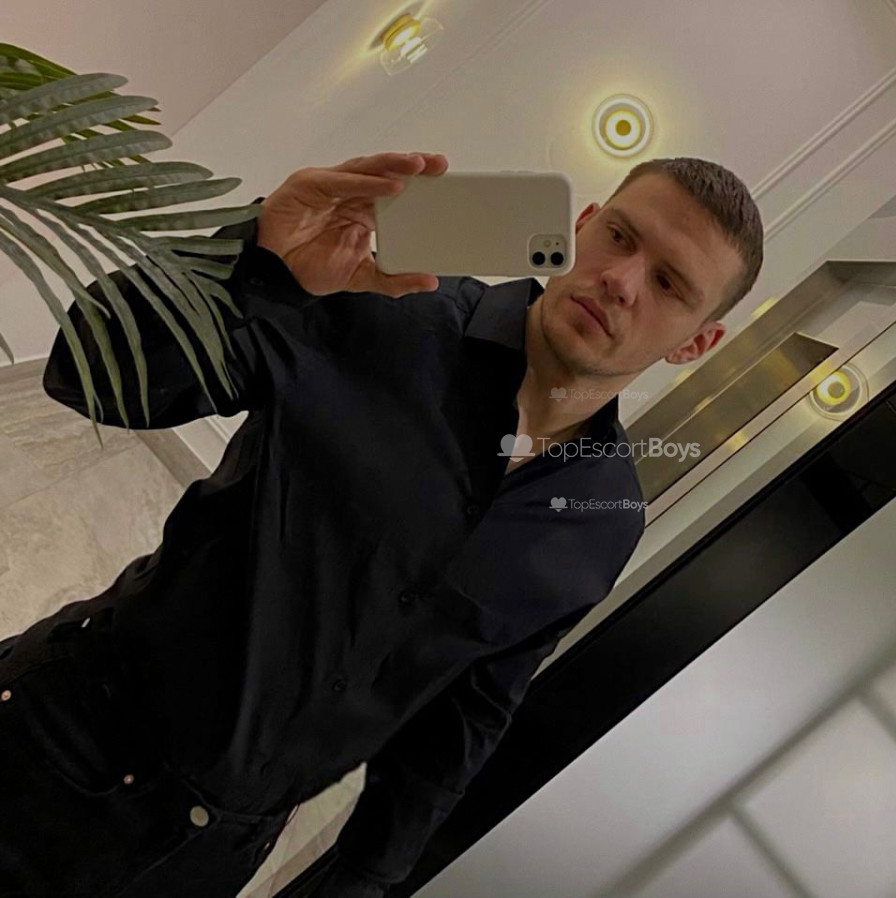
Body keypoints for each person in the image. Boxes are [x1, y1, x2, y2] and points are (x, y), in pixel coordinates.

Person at [0, 151, 763, 897]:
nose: (621, 281)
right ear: (584, 223)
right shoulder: (385, 310)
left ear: (696, 342)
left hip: (205, 857)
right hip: (59, 744)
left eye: (668, 284)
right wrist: (250, 260)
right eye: (620, 237)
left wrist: (367, 876)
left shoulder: (604, 519)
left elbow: (471, 707)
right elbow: (89, 376)